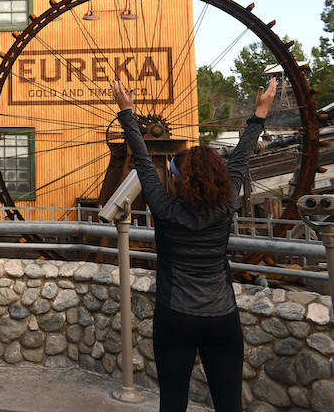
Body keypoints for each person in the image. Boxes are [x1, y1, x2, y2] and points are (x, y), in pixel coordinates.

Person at [111, 78, 276, 412]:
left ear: (177, 179)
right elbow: (240, 159)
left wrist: (127, 113)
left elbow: (143, 161)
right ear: (218, 177)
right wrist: (260, 113)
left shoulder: (164, 208)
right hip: (221, 316)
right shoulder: (226, 202)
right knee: (229, 403)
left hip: (175, 317)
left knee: (172, 403)